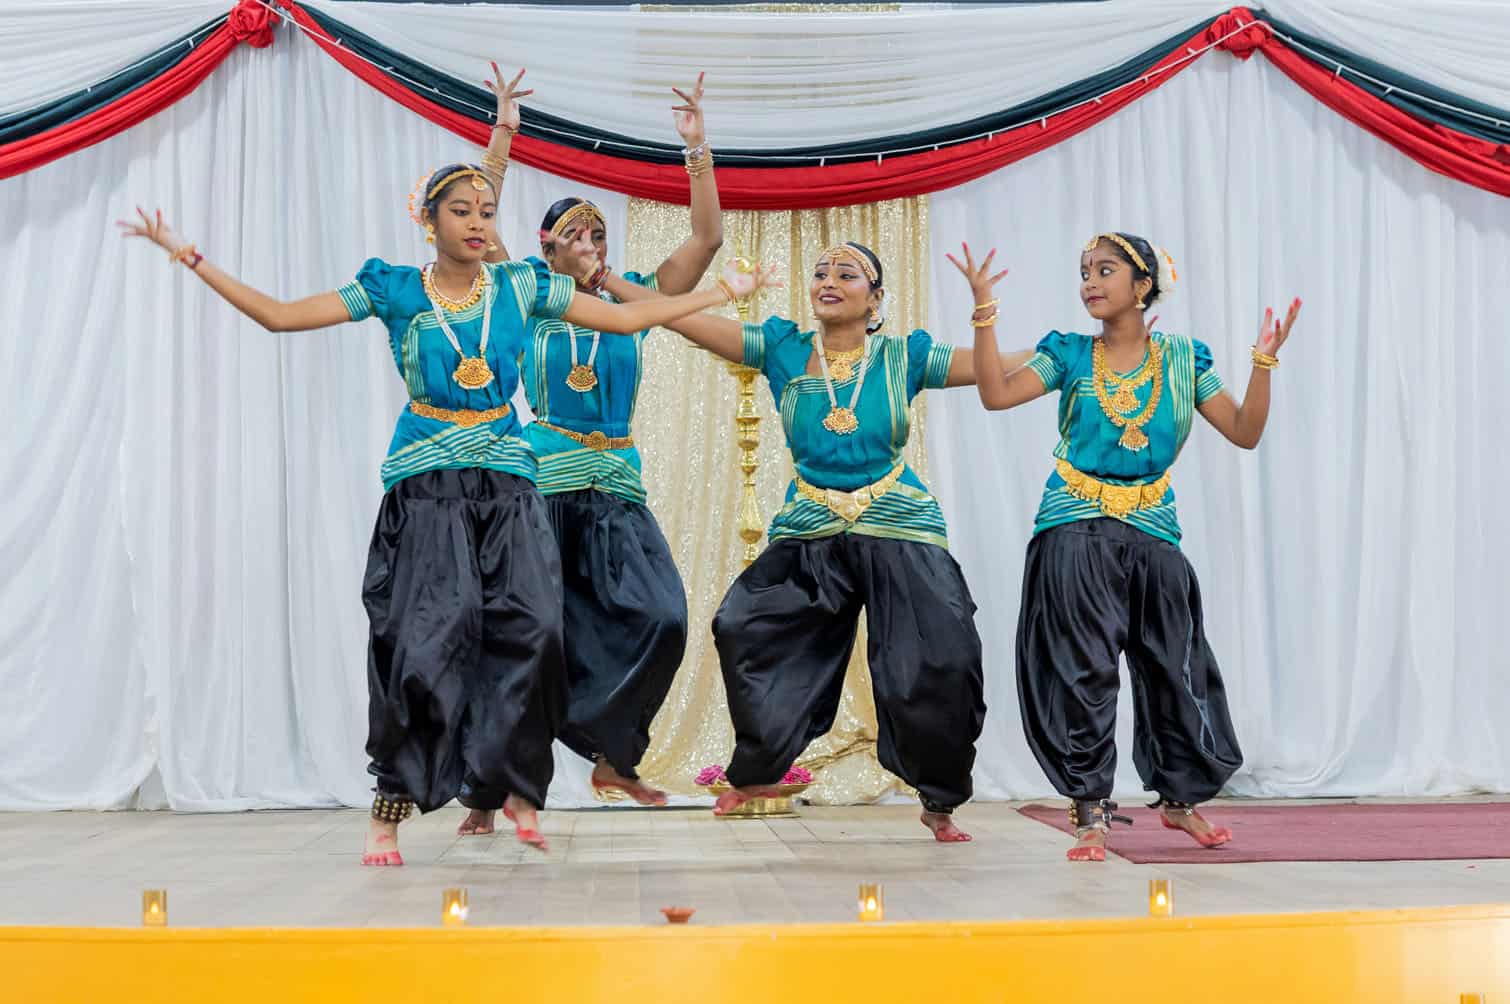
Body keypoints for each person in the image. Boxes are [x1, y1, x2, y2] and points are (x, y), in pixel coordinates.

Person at [117, 64, 775, 864]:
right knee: (427, 641)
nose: (475, 220)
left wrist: (716, 295)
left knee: (533, 629)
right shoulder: (395, 289)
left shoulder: (522, 289)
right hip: (426, 485)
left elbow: (632, 315)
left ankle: (521, 787)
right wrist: (191, 256)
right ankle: (390, 807)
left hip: (510, 481)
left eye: (486, 210)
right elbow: (281, 317)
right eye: (460, 210)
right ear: (427, 221)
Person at [608, 241, 1030, 843]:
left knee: (942, 658)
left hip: (898, 521)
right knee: (743, 625)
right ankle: (759, 771)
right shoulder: (782, 349)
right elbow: (680, 317)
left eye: (847, 274)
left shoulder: (903, 356)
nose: (828, 280)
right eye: (821, 272)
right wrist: (606, 281)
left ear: (875, 297)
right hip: (811, 525)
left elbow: (1001, 369)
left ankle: (938, 799)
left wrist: (1049, 348)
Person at [960, 234, 1300, 861]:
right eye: (1084, 270)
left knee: (1176, 664)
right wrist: (984, 313)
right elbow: (996, 394)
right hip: (1075, 525)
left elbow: (1245, 433)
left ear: (1142, 286)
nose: (1090, 280)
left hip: (1154, 529)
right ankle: (1091, 810)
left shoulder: (1183, 359)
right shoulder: (1066, 354)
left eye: (1105, 270)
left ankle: (1178, 798)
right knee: (1087, 670)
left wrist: (1263, 363)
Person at [457, 75, 722, 834]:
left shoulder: (637, 295)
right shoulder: (527, 294)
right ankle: (488, 793)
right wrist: (504, 132)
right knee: (527, 636)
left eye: (599, 233)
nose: (591, 243)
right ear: (544, 246)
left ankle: (612, 752)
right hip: (542, 487)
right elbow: (479, 218)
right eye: (576, 233)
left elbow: (705, 241)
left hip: (616, 486)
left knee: (663, 617)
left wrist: (695, 148)